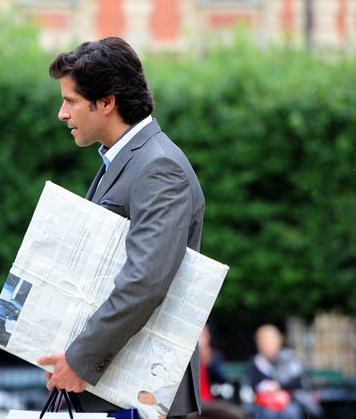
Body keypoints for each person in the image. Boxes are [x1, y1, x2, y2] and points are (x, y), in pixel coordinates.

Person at [36, 37, 205, 419]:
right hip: (119, 386)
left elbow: (145, 282)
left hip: (142, 394)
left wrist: (80, 360)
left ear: (107, 102)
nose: (62, 113)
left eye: (71, 101)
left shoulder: (159, 166)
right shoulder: (131, 159)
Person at [246, 325, 320, 419]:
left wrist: (280, 389)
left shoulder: (289, 359)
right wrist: (270, 395)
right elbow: (253, 386)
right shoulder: (255, 362)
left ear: (278, 341)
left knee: (291, 412)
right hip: (264, 403)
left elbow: (298, 382)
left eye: (269, 340)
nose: (266, 343)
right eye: (263, 341)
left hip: (290, 400)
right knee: (269, 413)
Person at [187, 325, 246, 419]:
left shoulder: (213, 355)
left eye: (204, 335)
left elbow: (222, 380)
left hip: (209, 401)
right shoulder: (184, 356)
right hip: (191, 404)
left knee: (237, 413)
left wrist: (209, 363)